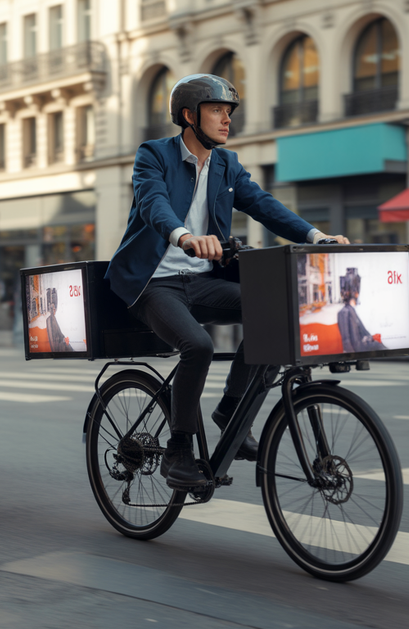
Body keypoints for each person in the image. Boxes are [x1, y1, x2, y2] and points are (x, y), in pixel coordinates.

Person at [105, 74, 348, 490]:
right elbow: (153, 203)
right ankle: (179, 449)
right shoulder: (154, 155)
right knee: (197, 346)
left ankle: (231, 411)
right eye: (216, 109)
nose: (226, 119)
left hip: (200, 283)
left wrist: (315, 236)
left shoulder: (227, 164)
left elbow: (264, 206)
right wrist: (183, 236)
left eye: (228, 112)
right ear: (188, 115)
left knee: (276, 319)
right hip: (152, 284)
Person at [336, 268, 385, 354]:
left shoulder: (351, 310)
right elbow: (349, 343)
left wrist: (371, 339)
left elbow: (364, 332)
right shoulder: (345, 312)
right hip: (362, 351)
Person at [44, 287, 72, 352]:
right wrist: (65, 342)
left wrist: (65, 342)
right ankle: (51, 294)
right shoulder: (50, 319)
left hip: (59, 346)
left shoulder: (51, 319)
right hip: (60, 345)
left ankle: (51, 294)